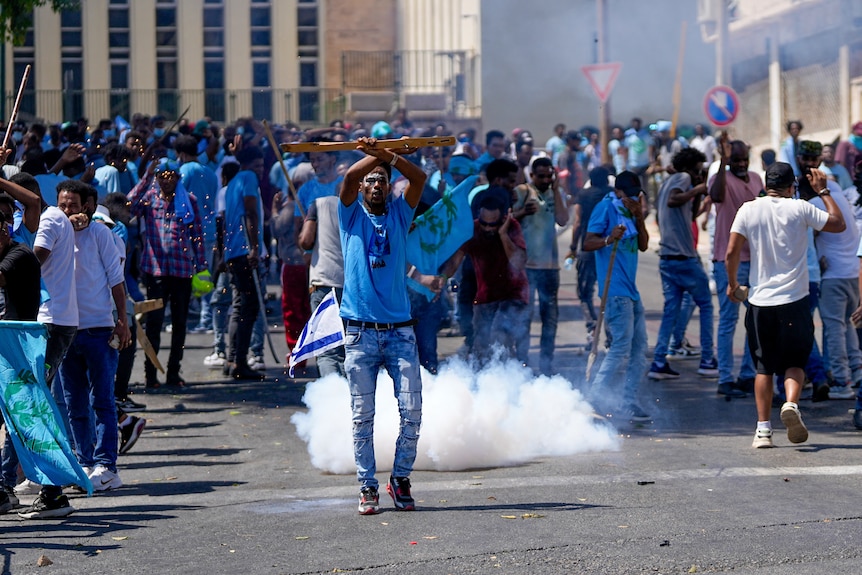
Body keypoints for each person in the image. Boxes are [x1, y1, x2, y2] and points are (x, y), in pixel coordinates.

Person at [726, 162, 844, 448]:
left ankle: (763, 431)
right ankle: (791, 404)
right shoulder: (800, 208)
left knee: (764, 368)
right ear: (792, 186)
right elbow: (838, 224)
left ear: (767, 185)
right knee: (795, 363)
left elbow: (731, 251)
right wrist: (823, 190)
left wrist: (732, 285)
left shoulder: (748, 209)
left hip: (760, 301)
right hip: (795, 300)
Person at [338, 136, 426, 515]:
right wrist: (370, 157)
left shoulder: (399, 214)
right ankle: (367, 485)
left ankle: (400, 478)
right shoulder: (350, 214)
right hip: (359, 332)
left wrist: (387, 156)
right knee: (363, 416)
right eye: (370, 181)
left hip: (400, 330)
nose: (376, 186)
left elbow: (418, 178)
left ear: (390, 188)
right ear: (363, 188)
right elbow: (346, 182)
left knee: (412, 409)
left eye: (382, 181)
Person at [55, 180, 132, 490]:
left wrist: (122, 321)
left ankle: (107, 467)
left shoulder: (103, 235)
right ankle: (83, 463)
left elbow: (117, 281)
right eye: (61, 204)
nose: (66, 210)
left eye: (72, 204)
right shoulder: (55, 232)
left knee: (102, 400)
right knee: (74, 404)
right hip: (64, 332)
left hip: (99, 329)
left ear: (87, 205)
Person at [127, 158, 208, 389]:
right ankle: (150, 374)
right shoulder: (150, 199)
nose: (167, 180)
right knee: (154, 323)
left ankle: (174, 372)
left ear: (178, 178)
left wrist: (201, 266)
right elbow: (129, 204)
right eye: (162, 176)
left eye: (171, 176)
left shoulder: (188, 201)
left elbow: (198, 237)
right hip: (155, 271)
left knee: (180, 324)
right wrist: (146, 177)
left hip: (182, 271)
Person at [583, 171, 651, 421]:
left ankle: (628, 401)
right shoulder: (605, 208)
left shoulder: (633, 212)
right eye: (630, 196)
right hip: (614, 291)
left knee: (639, 347)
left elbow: (643, 245)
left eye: (638, 195)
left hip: (631, 292)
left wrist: (639, 218)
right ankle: (593, 399)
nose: (634, 199)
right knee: (621, 346)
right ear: (618, 192)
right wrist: (608, 239)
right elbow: (587, 243)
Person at [797, 140, 862, 400]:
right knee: (848, 326)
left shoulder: (813, 202)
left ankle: (841, 382)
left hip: (833, 275)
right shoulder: (835, 188)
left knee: (834, 328)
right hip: (851, 272)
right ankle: (857, 375)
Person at [647, 148, 718, 382]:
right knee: (706, 306)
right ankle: (708, 359)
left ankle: (659, 362)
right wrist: (698, 188)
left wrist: (699, 193)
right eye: (698, 169)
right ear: (690, 167)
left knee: (671, 311)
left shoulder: (671, 180)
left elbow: (688, 215)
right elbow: (674, 199)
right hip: (684, 258)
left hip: (668, 259)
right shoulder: (682, 179)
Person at [439, 196, 529, 366]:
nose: (487, 228)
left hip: (513, 296)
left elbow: (519, 262)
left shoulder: (511, 227)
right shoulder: (472, 229)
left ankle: (510, 378)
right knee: (480, 344)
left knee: (500, 339)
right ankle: (482, 382)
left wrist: (503, 234)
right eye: (484, 223)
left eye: (492, 225)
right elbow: (455, 260)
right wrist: (442, 279)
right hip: (485, 298)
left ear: (502, 219)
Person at [708, 135, 763, 397]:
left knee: (755, 320)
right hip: (727, 259)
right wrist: (722, 162)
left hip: (756, 261)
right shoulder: (721, 178)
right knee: (728, 320)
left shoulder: (756, 178)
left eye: (744, 159)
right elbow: (715, 195)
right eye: (736, 160)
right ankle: (725, 378)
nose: (741, 164)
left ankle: (748, 374)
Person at [0, 191, 42, 515]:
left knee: (29, 421)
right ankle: (2, 489)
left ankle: (54, 490)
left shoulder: (19, 255)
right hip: (7, 354)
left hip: (22, 352)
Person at [512, 156, 569, 375]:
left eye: (549, 176)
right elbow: (509, 220)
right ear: (532, 175)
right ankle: (522, 361)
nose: (545, 179)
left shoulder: (556, 193)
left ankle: (546, 364)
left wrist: (556, 190)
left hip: (550, 267)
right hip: (527, 267)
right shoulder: (522, 191)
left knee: (550, 318)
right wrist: (523, 212)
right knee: (525, 317)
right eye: (541, 176)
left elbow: (563, 220)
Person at [223, 146, 268, 381]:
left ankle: (232, 359)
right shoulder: (248, 178)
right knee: (248, 308)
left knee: (239, 306)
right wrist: (255, 248)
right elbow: (251, 212)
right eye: (258, 165)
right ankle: (240, 362)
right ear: (249, 164)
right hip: (244, 250)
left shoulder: (233, 182)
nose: (261, 171)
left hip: (233, 251)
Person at [298, 195, 345, 377]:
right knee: (345, 350)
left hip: (324, 283)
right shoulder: (361, 207)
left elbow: (306, 240)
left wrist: (304, 231)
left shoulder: (318, 203)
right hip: (350, 286)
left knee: (328, 351)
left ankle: (331, 398)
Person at [566, 167, 613, 346]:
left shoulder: (583, 195)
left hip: (588, 249)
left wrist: (572, 247)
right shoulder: (612, 195)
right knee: (607, 292)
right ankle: (610, 334)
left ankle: (592, 326)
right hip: (607, 248)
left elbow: (577, 223)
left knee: (585, 292)